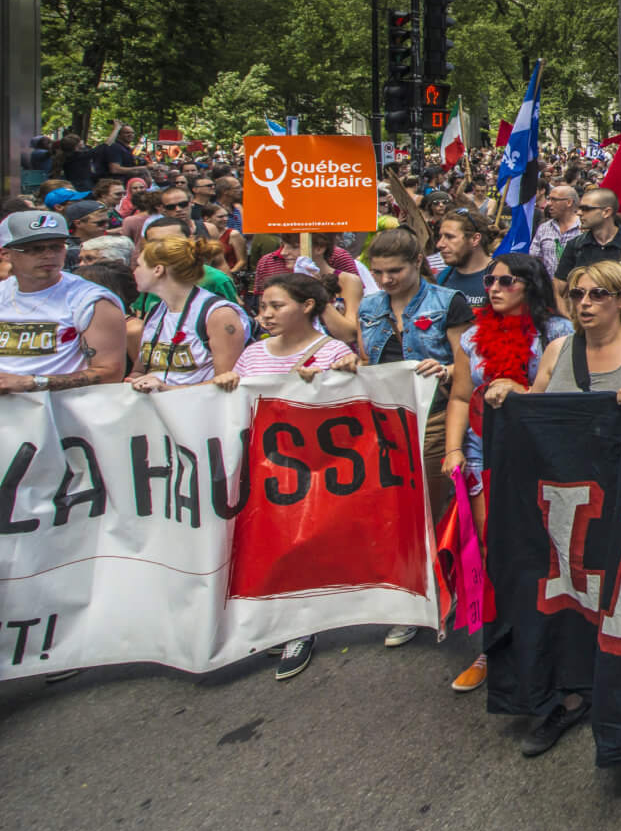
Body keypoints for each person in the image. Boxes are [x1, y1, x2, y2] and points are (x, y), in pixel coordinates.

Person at [514, 258, 621, 759]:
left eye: (597, 295)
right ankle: (573, 693)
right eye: (576, 295)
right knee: (570, 595)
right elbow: (532, 414)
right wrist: (507, 395)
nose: (585, 304)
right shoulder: (557, 348)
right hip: (564, 500)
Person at [212, 273, 360, 682]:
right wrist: (225, 384)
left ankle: (301, 627)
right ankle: (279, 619)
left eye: (277, 306)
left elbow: (351, 410)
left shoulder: (332, 350)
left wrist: (344, 375)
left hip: (315, 468)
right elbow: (235, 403)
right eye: (262, 308)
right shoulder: (254, 353)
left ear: (308, 306)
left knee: (303, 545)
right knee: (268, 544)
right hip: (264, 465)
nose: (266, 315)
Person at [442, 253, 571, 694]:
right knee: (492, 549)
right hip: (484, 456)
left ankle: (548, 642)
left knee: (543, 550)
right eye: (491, 280)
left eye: (506, 281)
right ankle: (491, 646)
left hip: (539, 457)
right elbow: (460, 397)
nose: (494, 288)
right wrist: (454, 449)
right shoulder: (474, 338)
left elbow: (567, 400)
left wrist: (525, 391)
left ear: (530, 285)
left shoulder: (557, 334)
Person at [356, 225, 472, 654]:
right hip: (384, 425)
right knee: (396, 512)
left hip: (436, 419)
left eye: (395, 271)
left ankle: (438, 592)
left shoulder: (448, 303)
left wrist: (443, 371)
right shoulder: (368, 306)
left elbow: (466, 363)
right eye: (379, 271)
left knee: (431, 510)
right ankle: (410, 598)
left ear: (417, 264)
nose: (386, 280)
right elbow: (368, 359)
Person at [0, 210, 126, 394]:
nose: (48, 255)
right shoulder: (3, 293)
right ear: (6, 254)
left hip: (61, 415)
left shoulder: (91, 301)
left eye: (57, 247)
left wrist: (33, 382)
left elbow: (111, 373)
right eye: (36, 249)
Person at [126, 235, 248, 391]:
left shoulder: (218, 315)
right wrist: (134, 381)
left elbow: (227, 383)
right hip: (157, 410)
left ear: (158, 270)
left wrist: (166, 389)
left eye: (139, 265)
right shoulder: (156, 311)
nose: (134, 272)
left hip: (198, 411)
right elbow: (140, 370)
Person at [552, 188, 621, 312]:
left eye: (586, 209)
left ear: (606, 212)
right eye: (579, 208)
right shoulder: (576, 246)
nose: (579, 213)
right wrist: (569, 322)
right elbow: (558, 290)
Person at [435, 208, 496, 309]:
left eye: (449, 237)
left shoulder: (501, 279)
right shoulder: (440, 279)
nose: (439, 244)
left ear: (475, 239)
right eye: (440, 237)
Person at [530, 184, 580, 277]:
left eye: (554, 200)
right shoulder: (544, 228)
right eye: (549, 199)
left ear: (569, 202)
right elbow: (535, 260)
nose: (549, 203)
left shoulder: (583, 229)